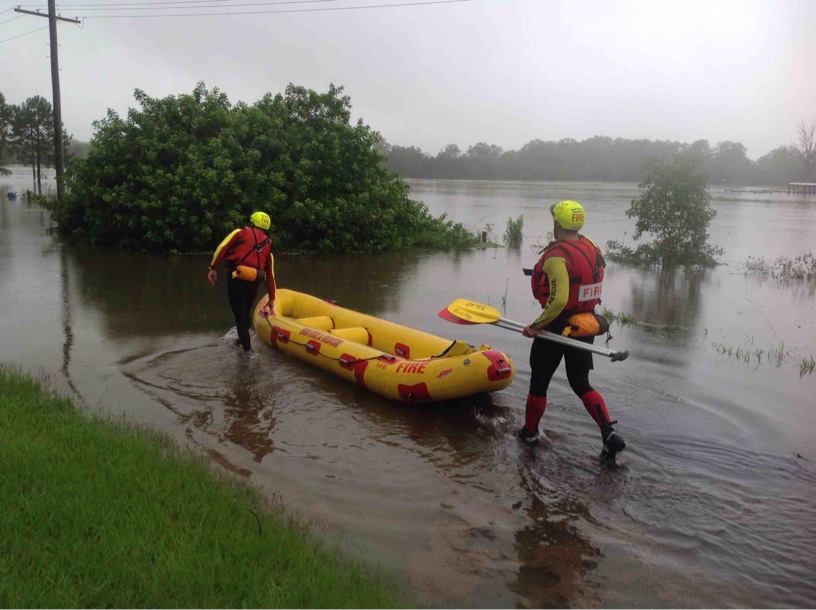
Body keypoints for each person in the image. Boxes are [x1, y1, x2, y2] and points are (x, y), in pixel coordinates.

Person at [516, 199, 626, 461]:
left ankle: (529, 433)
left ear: (556, 224)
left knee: (539, 383)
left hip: (556, 327)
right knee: (580, 382)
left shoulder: (556, 257)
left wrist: (536, 326)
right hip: (585, 324)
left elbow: (559, 300)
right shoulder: (592, 246)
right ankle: (609, 434)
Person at [207, 211, 276, 352]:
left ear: (252, 222)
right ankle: (242, 339)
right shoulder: (268, 245)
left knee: (239, 315)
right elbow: (270, 274)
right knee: (245, 312)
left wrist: (212, 268)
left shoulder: (240, 232)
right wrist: (272, 298)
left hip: (236, 279)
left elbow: (222, 247)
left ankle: (247, 351)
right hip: (254, 283)